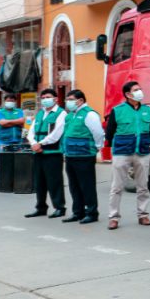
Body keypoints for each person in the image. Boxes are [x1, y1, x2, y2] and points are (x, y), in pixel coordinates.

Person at [104, 81, 150, 230]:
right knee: (117, 187)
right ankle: (113, 217)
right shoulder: (117, 110)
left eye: (140, 89)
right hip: (122, 152)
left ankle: (143, 215)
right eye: (136, 90)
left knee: (143, 186)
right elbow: (110, 132)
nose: (140, 92)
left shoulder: (147, 110)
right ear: (128, 94)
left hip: (142, 151)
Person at [60, 90, 105, 225]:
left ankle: (91, 212)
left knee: (87, 185)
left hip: (85, 155)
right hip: (70, 155)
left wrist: (97, 147)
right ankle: (77, 212)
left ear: (80, 101)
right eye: (67, 99)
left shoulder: (89, 114)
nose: (68, 102)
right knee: (74, 186)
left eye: (71, 99)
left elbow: (98, 132)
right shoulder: (70, 116)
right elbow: (65, 133)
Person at [25, 89, 66, 219]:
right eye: (42, 97)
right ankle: (41, 207)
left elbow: (56, 134)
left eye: (47, 97)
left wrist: (40, 144)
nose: (44, 99)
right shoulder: (40, 113)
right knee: (39, 181)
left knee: (54, 181)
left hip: (52, 153)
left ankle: (59, 207)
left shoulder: (61, 114)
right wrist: (33, 143)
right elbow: (31, 131)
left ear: (55, 99)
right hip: (38, 152)